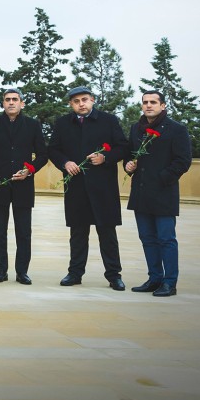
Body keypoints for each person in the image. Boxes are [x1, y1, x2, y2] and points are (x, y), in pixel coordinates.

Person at [49, 86, 130, 290]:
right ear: (71, 104)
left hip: (103, 187)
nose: (81, 104)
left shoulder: (108, 121)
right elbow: (53, 149)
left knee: (107, 233)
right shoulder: (62, 123)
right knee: (77, 233)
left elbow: (122, 147)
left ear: (93, 100)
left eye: (85, 99)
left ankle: (114, 276)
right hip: (76, 186)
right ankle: (75, 273)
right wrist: (65, 162)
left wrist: (105, 157)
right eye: (76, 101)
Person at [124, 90, 192, 297]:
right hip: (141, 193)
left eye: (153, 102)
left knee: (166, 239)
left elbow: (183, 161)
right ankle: (154, 278)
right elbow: (129, 155)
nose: (148, 105)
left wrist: (162, 178)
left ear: (163, 105)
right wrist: (127, 166)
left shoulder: (176, 129)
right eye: (145, 102)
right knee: (147, 238)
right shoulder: (136, 128)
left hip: (163, 193)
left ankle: (169, 282)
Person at [0, 88, 48, 284]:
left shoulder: (32, 125)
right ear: (3, 103)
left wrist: (30, 170)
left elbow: (43, 155)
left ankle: (22, 272)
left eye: (15, 99)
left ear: (22, 103)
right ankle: (1, 270)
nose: (11, 102)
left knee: (23, 232)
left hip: (23, 186)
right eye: (7, 99)